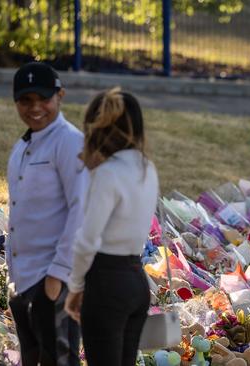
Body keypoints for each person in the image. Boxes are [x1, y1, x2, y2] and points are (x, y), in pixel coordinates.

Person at [63, 87, 159, 366]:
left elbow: (87, 239)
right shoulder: (146, 167)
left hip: (106, 281)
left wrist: (76, 286)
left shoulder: (107, 174)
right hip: (136, 280)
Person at [6, 62, 87, 365]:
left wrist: (58, 276)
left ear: (60, 95)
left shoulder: (69, 141)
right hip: (23, 280)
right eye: (26, 100)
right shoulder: (23, 147)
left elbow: (82, 210)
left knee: (59, 361)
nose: (35, 107)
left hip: (53, 279)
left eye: (43, 98)